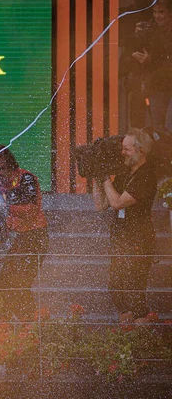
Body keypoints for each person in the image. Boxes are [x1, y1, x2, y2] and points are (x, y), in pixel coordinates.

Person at [91, 128, 157, 324]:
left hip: (138, 239)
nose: (122, 153)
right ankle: (127, 336)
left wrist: (105, 179)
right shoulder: (125, 174)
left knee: (134, 290)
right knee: (116, 287)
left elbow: (117, 203)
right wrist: (96, 175)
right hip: (121, 238)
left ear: (141, 151)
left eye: (127, 149)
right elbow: (100, 205)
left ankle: (142, 338)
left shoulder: (146, 176)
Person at [0, 145, 49, 321]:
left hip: (36, 236)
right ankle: (28, 322)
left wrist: (6, 207)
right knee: (6, 282)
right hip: (21, 237)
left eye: (2, 168)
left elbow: (31, 210)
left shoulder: (25, 178)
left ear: (11, 163)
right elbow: (10, 215)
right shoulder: (3, 182)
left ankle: (31, 323)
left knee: (19, 284)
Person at [128, 0, 172, 130]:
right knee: (158, 129)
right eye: (155, 12)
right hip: (158, 87)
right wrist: (137, 36)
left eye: (161, 12)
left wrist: (150, 61)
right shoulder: (153, 30)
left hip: (165, 86)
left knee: (168, 129)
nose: (157, 16)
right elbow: (133, 50)